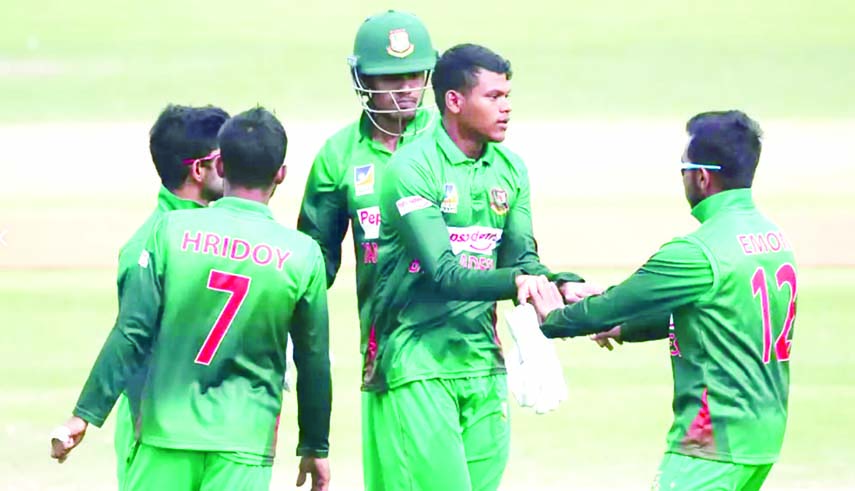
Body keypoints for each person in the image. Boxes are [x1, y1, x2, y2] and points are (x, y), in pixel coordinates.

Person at [50, 107, 332, 491]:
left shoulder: (169, 231)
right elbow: (312, 358)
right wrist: (314, 444)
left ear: (221, 164)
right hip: (244, 437)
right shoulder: (301, 254)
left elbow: (131, 332)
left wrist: (84, 415)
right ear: (280, 173)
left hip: (166, 429)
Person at [362, 43, 591, 491]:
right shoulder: (412, 168)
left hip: (484, 361)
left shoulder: (510, 169)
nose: (506, 108)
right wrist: (521, 282)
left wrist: (561, 288)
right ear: (454, 101)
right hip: (419, 361)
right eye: (493, 97)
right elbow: (444, 273)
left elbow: (521, 260)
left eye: (507, 96)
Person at [529, 110, 796, 491]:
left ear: (702, 177)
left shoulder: (697, 252)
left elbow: (615, 303)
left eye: (683, 169)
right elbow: (720, 317)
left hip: (711, 442)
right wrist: (626, 326)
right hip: (763, 437)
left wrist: (555, 317)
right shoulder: (775, 241)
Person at [297, 10, 438, 356]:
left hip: (459, 342)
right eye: (391, 78)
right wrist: (279, 318)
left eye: (414, 74)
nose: (407, 89)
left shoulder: (451, 138)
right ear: (365, 80)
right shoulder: (339, 154)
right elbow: (316, 257)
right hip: (384, 345)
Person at [110, 104, 229, 489]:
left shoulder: (229, 235)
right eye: (225, 159)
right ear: (199, 170)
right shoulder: (146, 246)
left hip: (213, 429)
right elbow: (133, 343)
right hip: (156, 432)